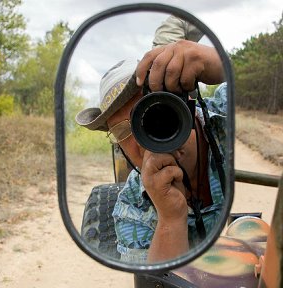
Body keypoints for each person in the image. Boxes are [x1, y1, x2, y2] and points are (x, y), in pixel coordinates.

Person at [76, 17, 226, 263]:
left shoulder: (223, 116)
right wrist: (170, 218)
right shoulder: (132, 207)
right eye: (122, 131)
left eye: (148, 116)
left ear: (184, 105)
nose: (142, 138)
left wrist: (220, 63)